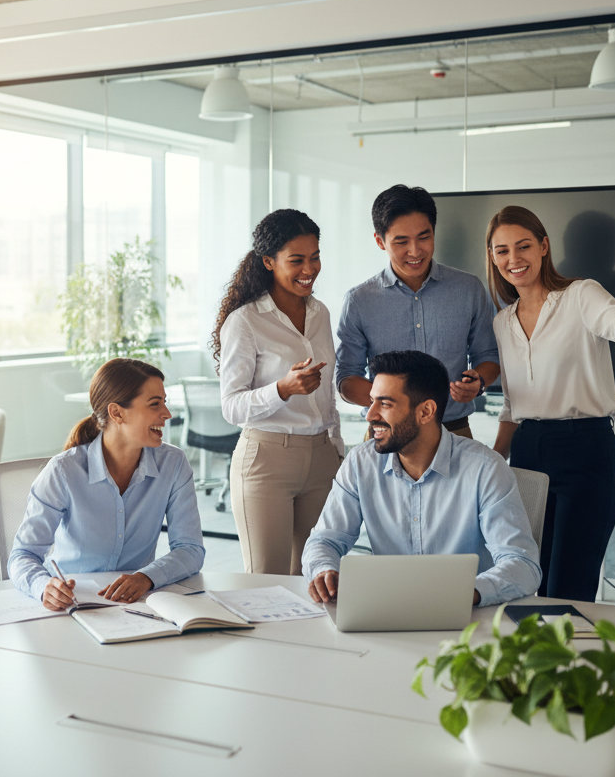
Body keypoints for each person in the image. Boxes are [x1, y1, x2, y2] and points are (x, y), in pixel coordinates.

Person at [486, 205, 615, 601]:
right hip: (527, 451)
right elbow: (512, 405)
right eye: (502, 250)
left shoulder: (580, 295)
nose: (514, 259)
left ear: (544, 246)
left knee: (569, 586)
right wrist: (494, 464)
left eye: (523, 246)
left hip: (584, 450)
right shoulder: (502, 321)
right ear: (492, 257)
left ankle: (568, 659)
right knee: (527, 576)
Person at [304, 350, 540, 606]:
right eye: (371, 401)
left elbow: (522, 565)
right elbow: (324, 540)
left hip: (467, 620)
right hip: (388, 612)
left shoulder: (486, 469)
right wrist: (324, 571)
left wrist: (461, 593)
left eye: (384, 404)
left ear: (426, 411)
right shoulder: (360, 462)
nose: (370, 415)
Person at [9, 358, 205, 610]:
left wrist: (147, 577)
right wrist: (43, 586)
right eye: (155, 404)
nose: (167, 414)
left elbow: (190, 548)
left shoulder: (174, 463)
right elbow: (22, 554)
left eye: (164, 402)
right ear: (116, 413)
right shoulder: (63, 471)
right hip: (70, 604)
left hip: (136, 605)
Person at [212, 209, 343, 575]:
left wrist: (335, 448)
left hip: (321, 458)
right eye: (297, 260)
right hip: (267, 459)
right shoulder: (245, 321)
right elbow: (231, 407)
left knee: (316, 576)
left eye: (315, 257)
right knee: (266, 580)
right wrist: (281, 390)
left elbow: (327, 392)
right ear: (269, 262)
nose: (309, 269)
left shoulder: (321, 314)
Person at [336, 184, 500, 439]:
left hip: (453, 430)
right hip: (385, 432)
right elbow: (347, 378)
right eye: (401, 241)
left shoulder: (469, 289)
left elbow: (488, 355)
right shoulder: (359, 300)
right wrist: (391, 403)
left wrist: (478, 384)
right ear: (380, 241)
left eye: (424, 237)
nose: (415, 251)